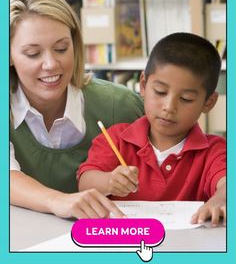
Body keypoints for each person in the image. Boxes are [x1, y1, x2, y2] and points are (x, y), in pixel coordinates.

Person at [10, 0, 144, 219]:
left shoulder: (121, 105)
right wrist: (59, 201)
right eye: (33, 53)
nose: (51, 64)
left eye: (61, 48)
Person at [78, 33, 226, 226]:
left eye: (186, 99)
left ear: (208, 102)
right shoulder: (116, 139)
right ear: (143, 84)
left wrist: (221, 199)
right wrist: (109, 181)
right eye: (160, 92)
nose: (169, 107)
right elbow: (85, 183)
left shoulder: (213, 150)